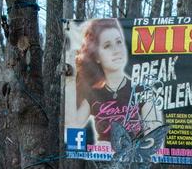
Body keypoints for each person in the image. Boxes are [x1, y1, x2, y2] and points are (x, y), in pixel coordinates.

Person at [66, 18, 161, 146]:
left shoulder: (143, 91)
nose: (116, 50)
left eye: (119, 42)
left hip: (134, 162)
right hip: (103, 163)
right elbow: (72, 127)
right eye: (107, 45)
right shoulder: (93, 93)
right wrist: (71, 79)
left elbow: (156, 142)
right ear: (97, 57)